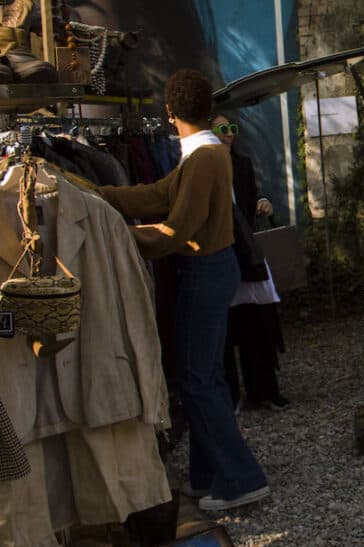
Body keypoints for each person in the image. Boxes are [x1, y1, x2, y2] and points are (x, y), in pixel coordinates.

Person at [98, 69, 270, 511]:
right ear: (207, 108)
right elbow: (159, 195)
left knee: (197, 379)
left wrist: (119, 236)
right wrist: (100, 196)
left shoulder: (203, 158)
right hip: (212, 269)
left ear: (170, 111)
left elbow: (176, 228)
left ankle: (241, 478)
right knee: (203, 375)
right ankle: (207, 473)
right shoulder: (204, 153)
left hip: (206, 270)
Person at [211, 113, 289, 411]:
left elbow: (249, 199)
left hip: (245, 248)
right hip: (221, 249)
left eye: (231, 128)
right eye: (221, 129)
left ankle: (263, 389)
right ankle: (230, 394)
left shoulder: (241, 164)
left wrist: (260, 204)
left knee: (256, 318)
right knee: (228, 326)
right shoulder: (202, 166)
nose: (228, 134)